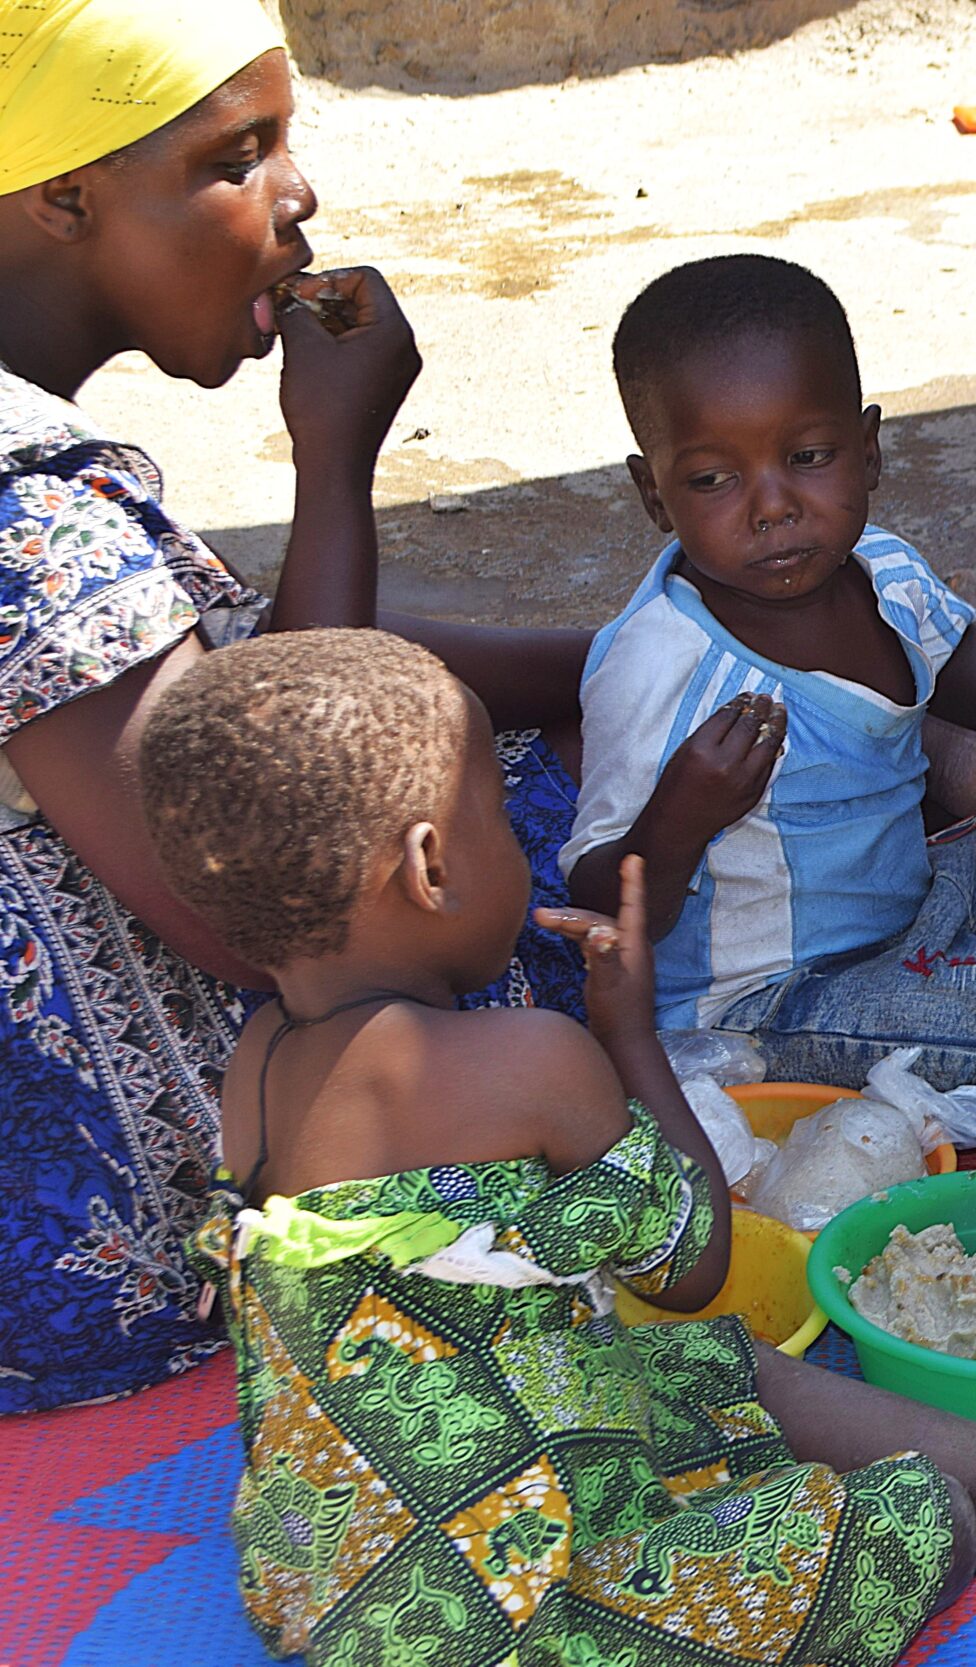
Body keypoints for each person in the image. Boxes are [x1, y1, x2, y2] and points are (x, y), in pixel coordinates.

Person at [151, 629, 976, 1666]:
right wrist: (630, 1037)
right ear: (433, 864)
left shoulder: (254, 1064)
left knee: (696, 1371)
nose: (520, 844)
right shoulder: (523, 1057)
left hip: (341, 1567)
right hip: (519, 1612)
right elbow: (692, 1268)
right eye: (501, 816)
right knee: (894, 1522)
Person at [0, 0, 594, 1414]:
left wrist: (617, 647)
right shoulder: (29, 521)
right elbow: (278, 874)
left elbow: (226, 673)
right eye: (236, 156)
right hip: (103, 1229)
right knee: (562, 845)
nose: (299, 194)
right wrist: (335, 465)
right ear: (66, 197)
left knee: (556, 730)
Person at [563, 254, 976, 1145]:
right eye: (713, 479)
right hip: (770, 1005)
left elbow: (950, 645)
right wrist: (681, 817)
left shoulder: (885, 567)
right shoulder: (658, 666)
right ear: (654, 494)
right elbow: (599, 897)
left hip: (918, 905)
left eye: (807, 457)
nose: (772, 507)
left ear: (869, 449)